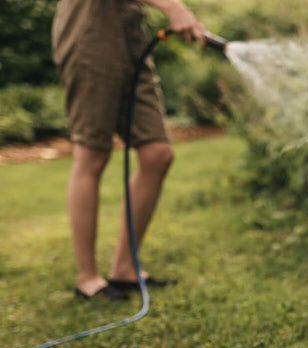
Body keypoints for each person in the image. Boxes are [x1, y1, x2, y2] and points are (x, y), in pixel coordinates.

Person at [51, 0, 206, 299]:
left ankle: (124, 268)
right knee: (92, 155)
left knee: (157, 153)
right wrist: (173, 7)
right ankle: (87, 278)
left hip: (129, 29)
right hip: (90, 30)